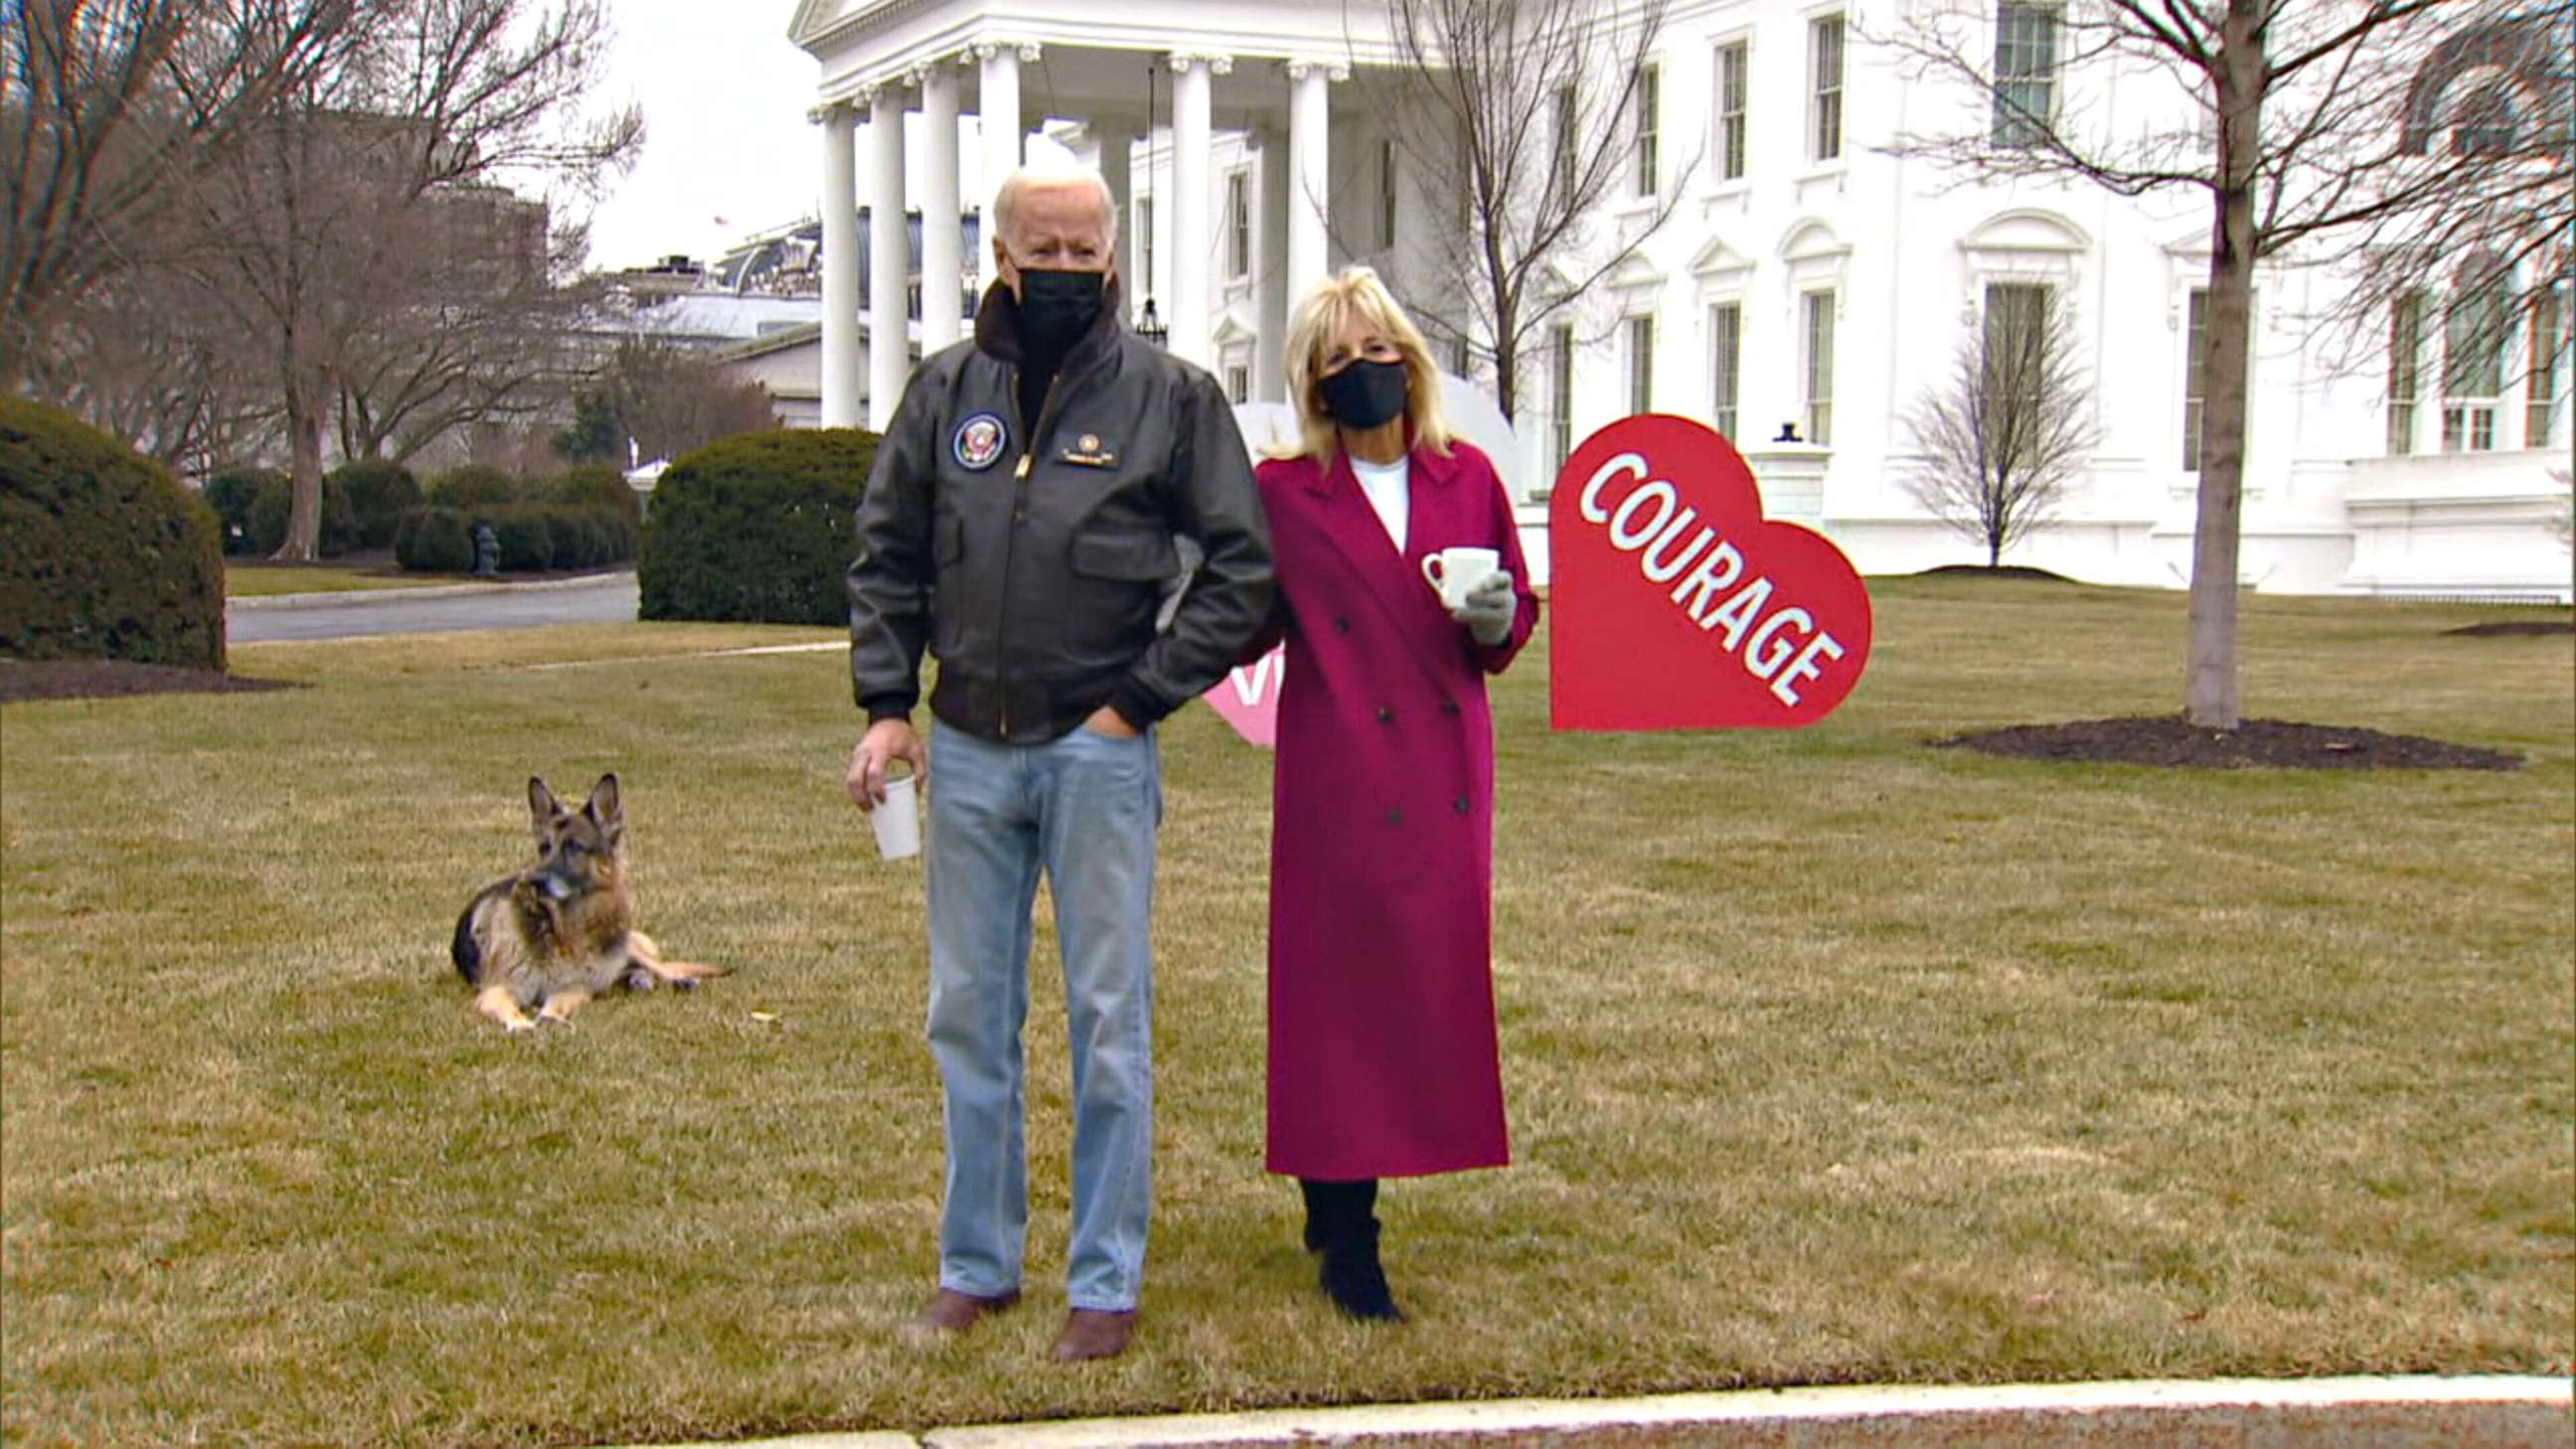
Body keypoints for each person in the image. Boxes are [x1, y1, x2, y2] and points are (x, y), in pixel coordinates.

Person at [845, 163, 1274, 1364]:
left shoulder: (1173, 399)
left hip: (1098, 757)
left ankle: (1106, 1279)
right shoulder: (946, 394)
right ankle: (975, 1265)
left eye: (1089, 253)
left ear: (1116, 259)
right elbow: (887, 555)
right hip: (970, 755)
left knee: (1106, 1018)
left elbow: (1244, 572)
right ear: (1001, 253)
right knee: (969, 1015)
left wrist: (1138, 702)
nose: (1068, 273)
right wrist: (887, 705)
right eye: (1048, 250)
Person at [1245, 266, 1537, 1321]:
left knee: (1421, 990)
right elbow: (1237, 618)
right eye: (1337, 360)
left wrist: (1500, 620)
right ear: (1312, 384)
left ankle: (1353, 1201)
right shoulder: (1282, 494)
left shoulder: (1468, 480)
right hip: (1335, 778)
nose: (1361, 371)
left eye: (1378, 352)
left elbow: (1510, 626)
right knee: (1335, 1005)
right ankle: (1346, 1230)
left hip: (1444, 770)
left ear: (1409, 365)